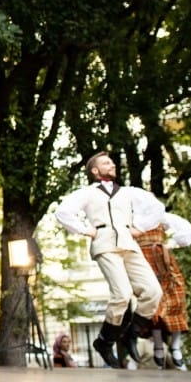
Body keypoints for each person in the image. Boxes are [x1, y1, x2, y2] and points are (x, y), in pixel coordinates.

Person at [54, 151, 163, 369]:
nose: (111, 164)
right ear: (95, 171)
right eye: (106, 162)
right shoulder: (87, 193)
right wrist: (85, 230)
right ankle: (104, 341)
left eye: (111, 161)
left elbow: (157, 208)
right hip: (105, 245)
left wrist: (139, 227)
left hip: (128, 244)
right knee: (122, 294)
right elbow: (63, 212)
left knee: (153, 291)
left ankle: (131, 334)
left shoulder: (128, 192)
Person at [131, 202, 191, 370]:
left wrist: (170, 244)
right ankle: (158, 345)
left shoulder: (161, 217)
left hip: (163, 261)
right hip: (143, 262)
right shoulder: (132, 220)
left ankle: (175, 345)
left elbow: (186, 231)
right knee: (155, 305)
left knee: (177, 299)